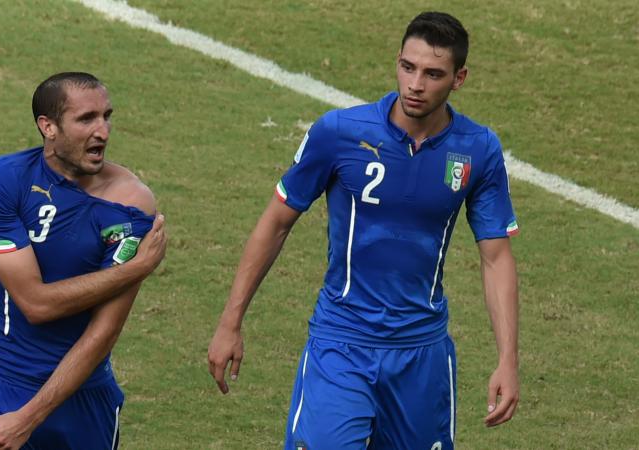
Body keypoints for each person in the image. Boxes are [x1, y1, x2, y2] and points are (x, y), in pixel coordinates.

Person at [206, 12, 520, 449]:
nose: (415, 84)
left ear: (459, 78)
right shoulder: (339, 133)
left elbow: (496, 256)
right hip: (341, 344)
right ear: (397, 62)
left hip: (421, 355)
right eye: (408, 68)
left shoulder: (478, 149)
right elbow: (275, 224)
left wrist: (508, 359)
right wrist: (230, 321)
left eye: (433, 74)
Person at [0, 72, 168, 450]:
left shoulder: (131, 204)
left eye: (106, 116)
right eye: (86, 119)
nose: (102, 131)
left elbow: (104, 332)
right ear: (48, 127)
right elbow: (35, 304)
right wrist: (135, 269)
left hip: (83, 402)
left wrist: (29, 418)